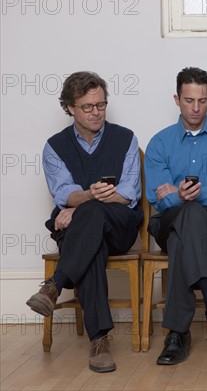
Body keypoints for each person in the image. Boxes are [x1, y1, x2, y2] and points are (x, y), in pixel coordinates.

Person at [26, 71, 142, 373]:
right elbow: (63, 193)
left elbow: (129, 193)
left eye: (101, 105)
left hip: (120, 225)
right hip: (79, 233)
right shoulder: (55, 146)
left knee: (89, 214)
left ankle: (55, 285)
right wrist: (88, 198)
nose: (96, 112)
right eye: (88, 107)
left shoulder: (125, 138)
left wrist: (82, 203)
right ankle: (99, 341)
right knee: (92, 247)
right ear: (70, 108)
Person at [144, 67, 207, 365]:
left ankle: (177, 334)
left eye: (202, 100)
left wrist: (184, 193)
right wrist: (179, 198)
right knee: (185, 216)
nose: (195, 107)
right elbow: (155, 197)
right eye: (189, 100)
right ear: (177, 99)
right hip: (168, 220)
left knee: (183, 233)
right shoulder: (160, 142)